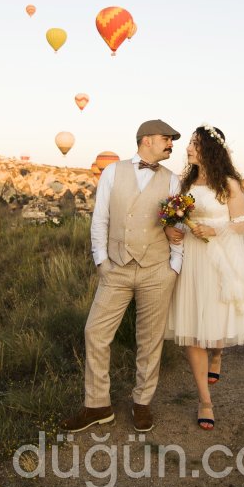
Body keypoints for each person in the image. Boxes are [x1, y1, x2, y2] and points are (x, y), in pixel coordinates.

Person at [61, 119, 183, 434]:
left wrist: (175, 267)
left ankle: (142, 402)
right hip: (115, 268)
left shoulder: (173, 180)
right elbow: (100, 217)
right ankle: (98, 404)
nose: (171, 144)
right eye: (167, 139)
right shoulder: (112, 171)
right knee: (95, 332)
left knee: (150, 339)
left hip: (157, 269)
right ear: (147, 140)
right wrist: (100, 259)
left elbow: (178, 228)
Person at [164, 124, 244, 429]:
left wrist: (216, 229)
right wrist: (174, 228)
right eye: (190, 144)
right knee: (193, 327)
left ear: (210, 148)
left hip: (219, 257)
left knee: (216, 328)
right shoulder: (185, 183)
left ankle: (218, 354)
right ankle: (205, 401)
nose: (188, 148)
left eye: (194, 144)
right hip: (192, 259)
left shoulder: (229, 184)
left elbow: (241, 224)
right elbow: (177, 216)